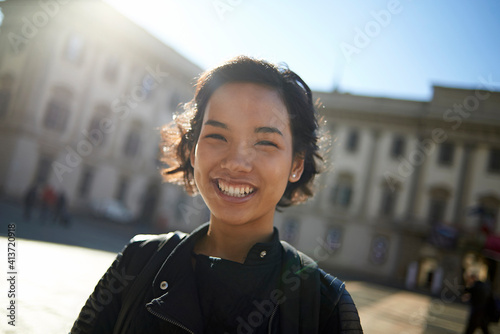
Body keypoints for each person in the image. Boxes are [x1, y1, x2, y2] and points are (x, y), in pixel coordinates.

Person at [71, 56, 363, 333]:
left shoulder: (326, 304)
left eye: (265, 142)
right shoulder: (136, 262)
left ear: (296, 164)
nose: (237, 162)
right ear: (192, 150)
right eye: (217, 136)